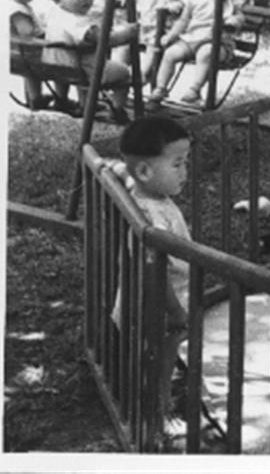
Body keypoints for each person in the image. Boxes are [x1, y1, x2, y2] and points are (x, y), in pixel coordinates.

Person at [111, 116, 193, 445]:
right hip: (157, 305)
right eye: (177, 164)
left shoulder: (140, 190)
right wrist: (175, 313)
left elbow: (120, 169)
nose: (185, 172)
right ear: (144, 171)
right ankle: (156, 417)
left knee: (152, 358)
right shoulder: (150, 220)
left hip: (148, 299)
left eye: (185, 162)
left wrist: (106, 166)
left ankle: (151, 402)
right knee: (159, 361)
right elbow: (152, 272)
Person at [42, 0, 136, 123]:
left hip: (57, 67)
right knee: (123, 73)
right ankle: (117, 109)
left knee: (80, 61)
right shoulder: (77, 23)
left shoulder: (54, 12)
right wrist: (128, 33)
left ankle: (72, 102)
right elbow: (106, 40)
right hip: (83, 70)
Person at [147, 0, 245, 108]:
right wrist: (172, 35)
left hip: (218, 44)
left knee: (206, 53)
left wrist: (235, 20)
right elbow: (183, 20)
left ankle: (195, 89)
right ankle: (161, 88)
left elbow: (240, 17)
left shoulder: (231, 1)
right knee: (170, 54)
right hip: (191, 39)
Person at [9, 0, 51, 110]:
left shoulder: (11, 4)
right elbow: (28, 34)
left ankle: (36, 98)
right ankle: (62, 98)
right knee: (70, 53)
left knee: (30, 67)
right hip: (30, 56)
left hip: (21, 57)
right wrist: (48, 34)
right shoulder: (17, 11)